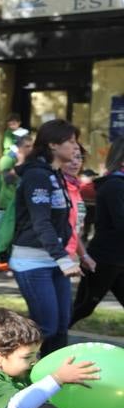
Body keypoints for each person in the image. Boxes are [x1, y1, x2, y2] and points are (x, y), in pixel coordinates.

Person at [7, 120, 81, 354]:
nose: (75, 147)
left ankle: (54, 383)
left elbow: (63, 221)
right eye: (70, 141)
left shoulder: (54, 174)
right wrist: (63, 258)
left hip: (54, 261)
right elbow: (41, 223)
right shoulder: (37, 175)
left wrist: (78, 254)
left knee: (60, 328)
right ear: (52, 144)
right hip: (32, 262)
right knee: (46, 327)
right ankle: (4, 367)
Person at [73, 138, 124, 324]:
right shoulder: (114, 185)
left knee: (82, 308)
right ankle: (42, 344)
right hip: (105, 259)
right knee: (83, 308)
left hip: (118, 258)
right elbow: (121, 223)